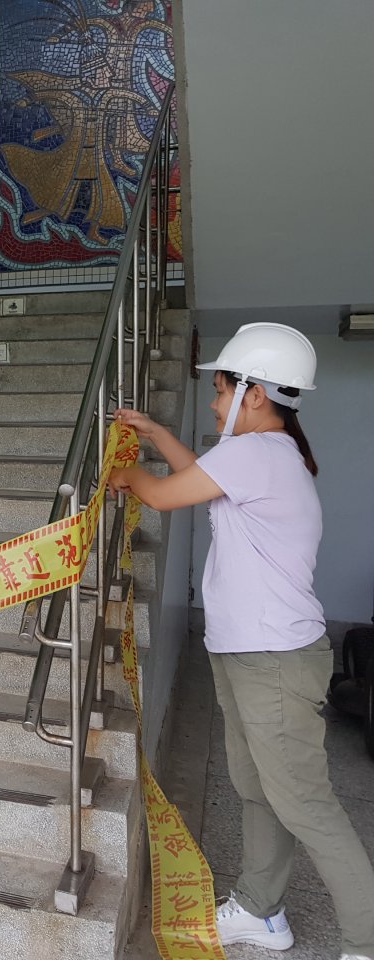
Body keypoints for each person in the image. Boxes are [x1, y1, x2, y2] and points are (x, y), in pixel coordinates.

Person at [108, 322, 374, 960]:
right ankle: (261, 910)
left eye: (222, 391)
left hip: (273, 658)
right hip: (250, 652)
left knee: (305, 802)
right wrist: (155, 434)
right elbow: (200, 476)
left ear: (255, 394)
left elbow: (165, 494)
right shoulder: (264, 455)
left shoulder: (256, 454)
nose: (214, 403)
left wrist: (125, 473)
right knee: (257, 788)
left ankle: (365, 939)